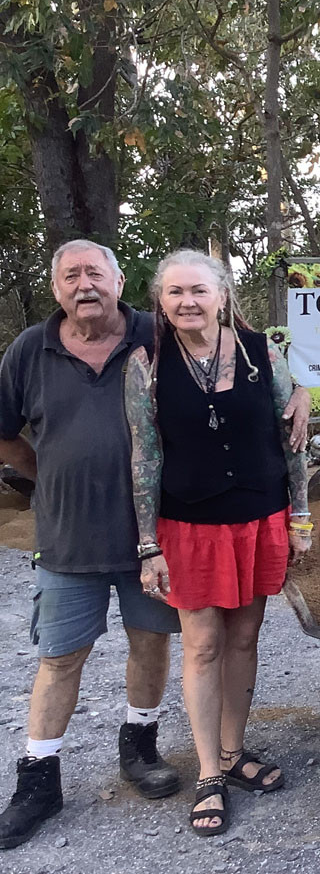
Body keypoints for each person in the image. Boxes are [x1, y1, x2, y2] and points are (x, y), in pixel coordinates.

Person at [0, 240, 181, 851]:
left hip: (154, 539)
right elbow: (5, 435)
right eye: (71, 275)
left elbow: (240, 359)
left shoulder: (160, 334)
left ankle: (140, 744)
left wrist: (290, 392)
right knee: (59, 660)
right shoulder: (30, 349)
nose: (84, 284)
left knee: (150, 643)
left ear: (119, 279)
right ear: (56, 289)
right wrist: (44, 475)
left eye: (95, 273)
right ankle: (38, 780)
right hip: (66, 535)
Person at [125, 248, 311, 838]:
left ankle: (233, 755)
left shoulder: (262, 355)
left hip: (259, 517)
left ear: (223, 296)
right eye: (175, 292)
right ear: (162, 300)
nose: (187, 302)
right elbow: (144, 456)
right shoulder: (147, 362)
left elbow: (292, 438)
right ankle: (208, 772)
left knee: (245, 637)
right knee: (203, 644)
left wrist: (301, 516)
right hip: (190, 527)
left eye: (199, 291)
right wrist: (147, 544)